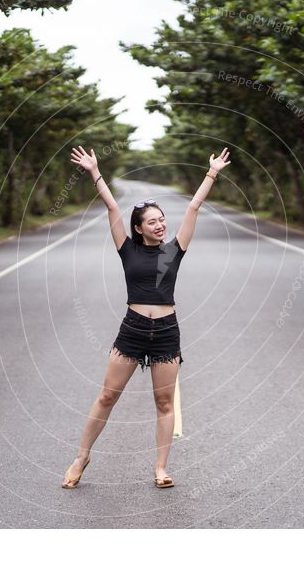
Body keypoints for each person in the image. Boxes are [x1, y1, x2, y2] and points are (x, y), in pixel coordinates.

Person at [61, 145, 232, 489]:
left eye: (162, 220)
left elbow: (194, 206)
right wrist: (95, 171)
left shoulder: (175, 249)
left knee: (164, 402)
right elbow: (112, 206)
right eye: (152, 221)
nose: (160, 225)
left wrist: (211, 172)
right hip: (133, 330)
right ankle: (81, 456)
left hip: (167, 331)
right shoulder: (127, 249)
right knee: (108, 396)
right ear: (139, 229)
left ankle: (161, 467)